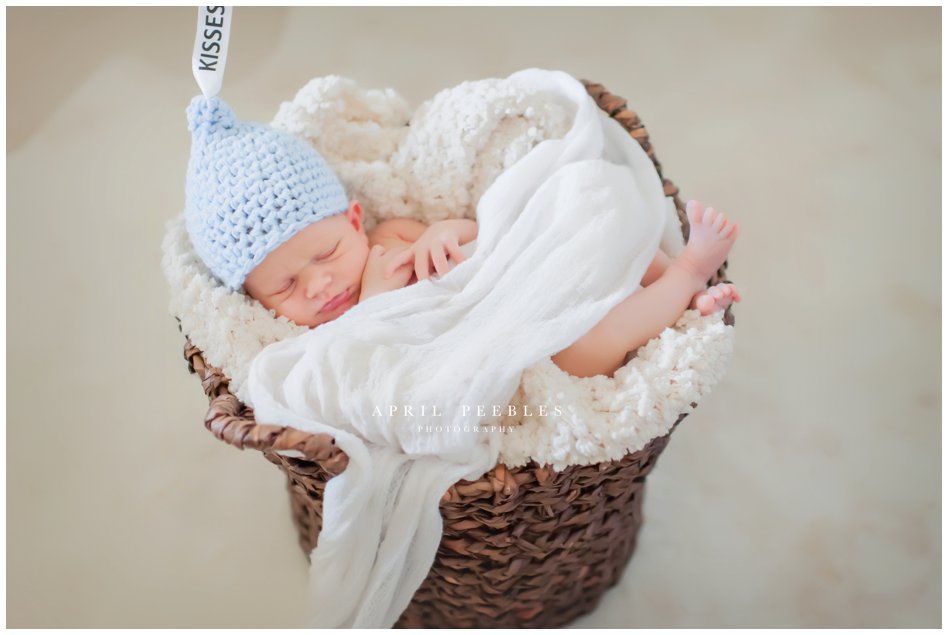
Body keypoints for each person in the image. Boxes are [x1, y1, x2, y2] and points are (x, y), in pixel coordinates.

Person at [185, 96, 740, 380]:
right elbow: (371, 366)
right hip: (514, 337)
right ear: (254, 302)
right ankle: (689, 277)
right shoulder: (313, 342)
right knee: (585, 352)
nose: (319, 283)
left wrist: (443, 236)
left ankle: (668, 279)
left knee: (581, 223)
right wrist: (375, 299)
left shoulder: (391, 235)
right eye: (283, 287)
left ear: (354, 220)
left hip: (518, 278)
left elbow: (480, 233)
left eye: (326, 252)